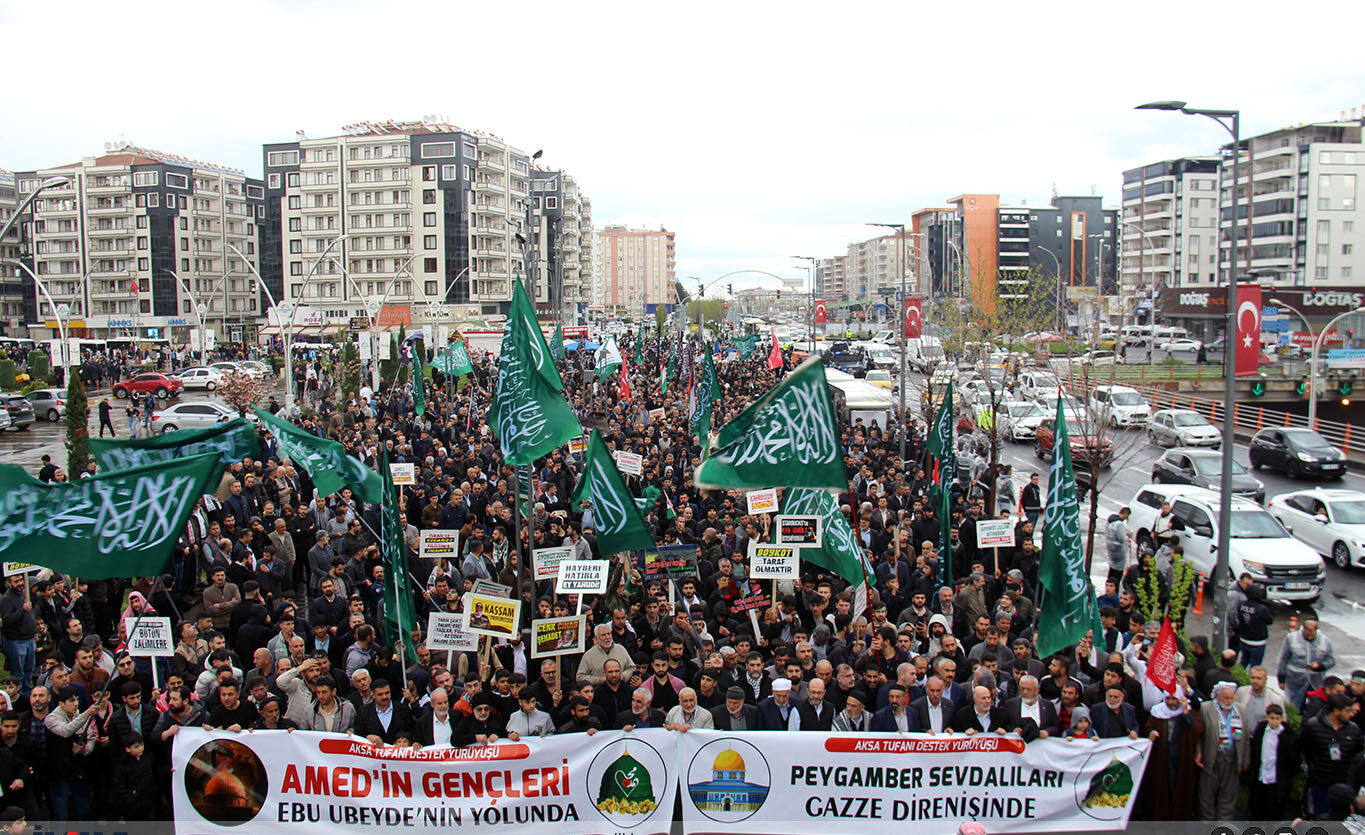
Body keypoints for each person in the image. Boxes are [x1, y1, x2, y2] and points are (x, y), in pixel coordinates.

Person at [1301, 692, 1364, 818]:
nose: (1351, 714)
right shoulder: (1313, 726)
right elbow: (1306, 749)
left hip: (1343, 783)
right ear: (1336, 711)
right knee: (1320, 814)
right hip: (1320, 781)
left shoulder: (1354, 729)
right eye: (1347, 711)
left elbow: (1356, 755)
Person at [1196, 681, 1249, 821]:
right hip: (1212, 757)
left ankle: (1223, 824)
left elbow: (1246, 738)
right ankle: (1206, 824)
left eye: (1232, 698)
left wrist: (1245, 759)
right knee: (1207, 794)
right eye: (1225, 698)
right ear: (1218, 696)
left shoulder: (1241, 710)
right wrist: (1198, 752)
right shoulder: (1206, 708)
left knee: (1229, 794)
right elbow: (1199, 735)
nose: (1229, 701)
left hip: (1232, 759)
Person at [1247, 704, 1300, 821]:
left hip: (1277, 779)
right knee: (1258, 809)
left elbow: (1293, 758)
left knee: (1274, 811)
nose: (1274, 721)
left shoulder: (1287, 735)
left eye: (1277, 719)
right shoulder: (1261, 730)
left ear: (1282, 719)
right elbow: (1255, 751)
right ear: (1266, 717)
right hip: (1261, 776)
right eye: (1272, 718)